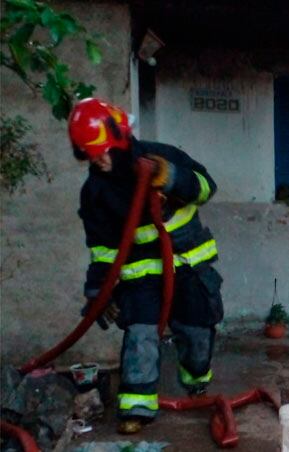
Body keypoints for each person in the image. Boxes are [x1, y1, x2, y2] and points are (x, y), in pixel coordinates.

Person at [68, 98, 223, 434]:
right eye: (88, 153)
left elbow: (207, 186)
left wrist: (171, 179)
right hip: (140, 277)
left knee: (197, 333)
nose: (98, 159)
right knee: (140, 337)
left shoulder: (162, 156)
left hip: (188, 266)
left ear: (121, 138)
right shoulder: (95, 190)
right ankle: (136, 407)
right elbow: (102, 248)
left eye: (102, 150)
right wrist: (98, 291)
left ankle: (196, 383)